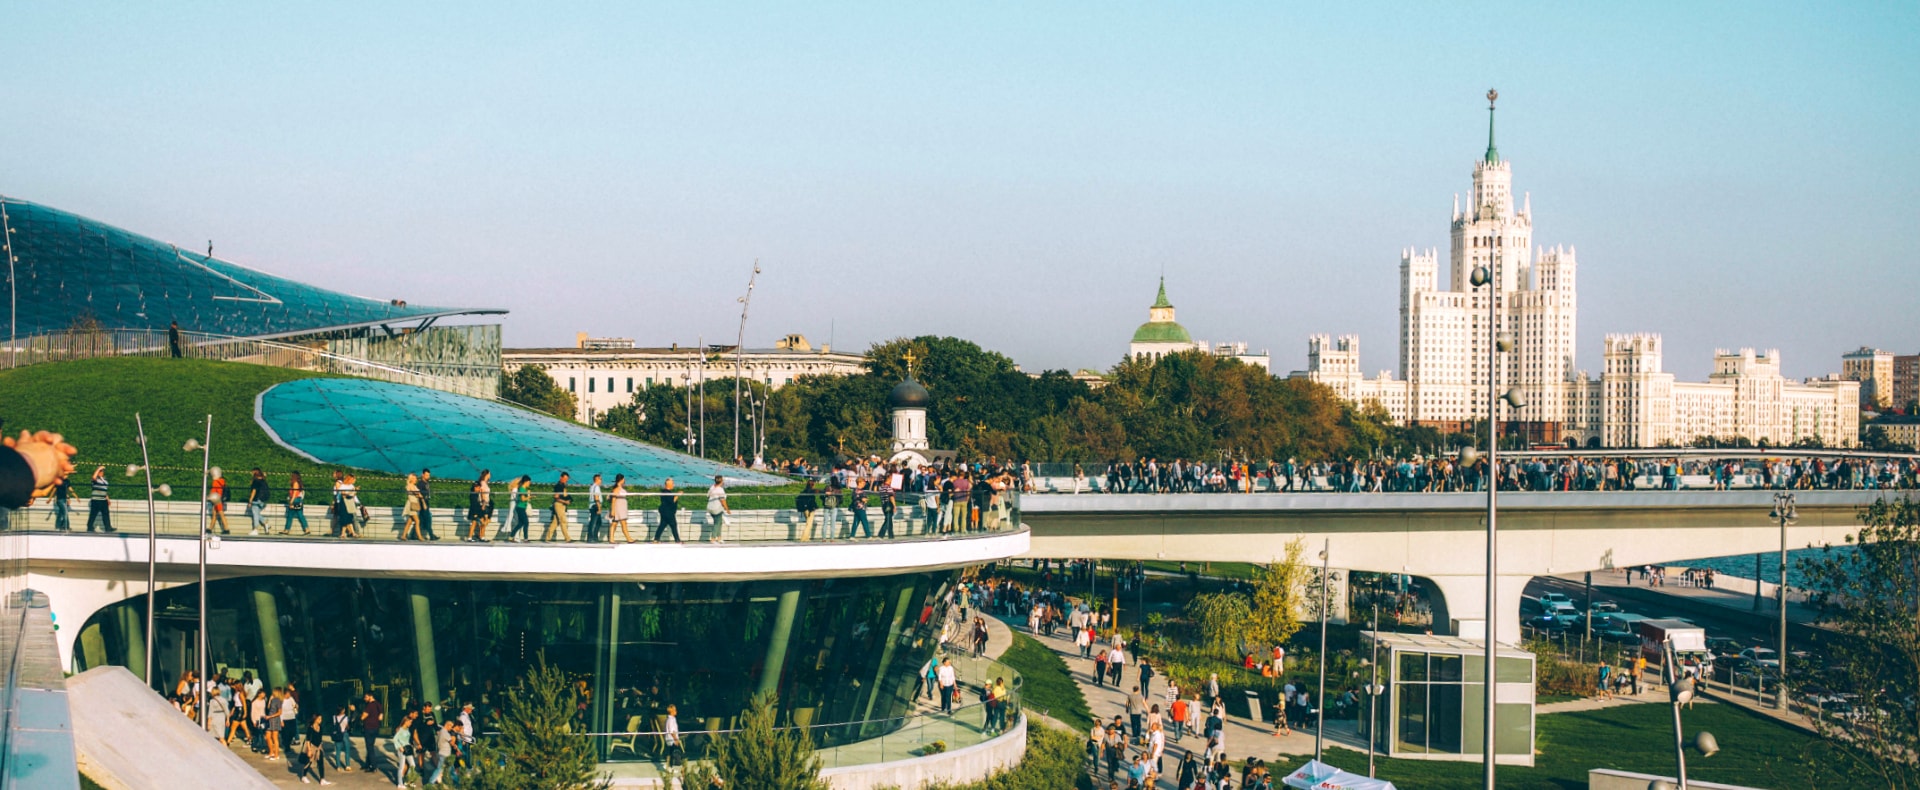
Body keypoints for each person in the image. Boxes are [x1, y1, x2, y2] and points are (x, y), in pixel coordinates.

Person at [88, 465, 119, 532]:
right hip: (96, 500)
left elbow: (105, 490)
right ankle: (89, 527)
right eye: (100, 471)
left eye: (102, 471)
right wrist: (98, 469)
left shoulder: (104, 480)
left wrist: (108, 499)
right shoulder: (95, 479)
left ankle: (108, 528)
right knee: (93, 514)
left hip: (103, 500)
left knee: (106, 514)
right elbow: (93, 477)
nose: (102, 472)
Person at [360, 693, 385, 773]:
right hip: (375, 727)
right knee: (370, 746)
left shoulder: (369, 706)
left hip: (369, 727)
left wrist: (361, 716)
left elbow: (363, 716)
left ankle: (373, 766)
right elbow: (381, 717)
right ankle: (367, 764)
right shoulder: (378, 704)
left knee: (370, 747)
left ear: (371, 696)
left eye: (366, 697)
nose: (365, 698)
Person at [545, 472, 573, 542]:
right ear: (561, 477)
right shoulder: (558, 486)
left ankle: (547, 538)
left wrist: (568, 499)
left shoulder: (563, 486)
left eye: (567, 479)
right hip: (559, 504)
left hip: (561, 505)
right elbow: (556, 497)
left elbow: (564, 495)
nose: (566, 480)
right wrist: (565, 501)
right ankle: (567, 538)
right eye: (565, 478)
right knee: (563, 521)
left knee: (555, 522)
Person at [466, 471, 492, 542]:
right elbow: (482, 494)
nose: (490, 475)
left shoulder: (484, 483)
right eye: (489, 473)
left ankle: (478, 536)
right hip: (482, 504)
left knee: (481, 521)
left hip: (484, 504)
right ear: (486, 474)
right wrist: (483, 504)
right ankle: (479, 536)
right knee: (482, 521)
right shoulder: (482, 483)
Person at [655, 478, 682, 542]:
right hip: (668, 512)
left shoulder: (665, 492)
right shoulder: (666, 492)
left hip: (665, 511)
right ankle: (677, 540)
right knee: (673, 525)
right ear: (668, 485)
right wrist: (677, 495)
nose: (673, 485)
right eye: (672, 483)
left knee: (662, 525)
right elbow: (672, 501)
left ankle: (656, 539)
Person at [608, 474, 633, 542]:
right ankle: (628, 538)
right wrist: (613, 510)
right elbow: (613, 499)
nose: (624, 480)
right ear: (621, 480)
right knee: (622, 523)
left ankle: (612, 539)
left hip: (622, 508)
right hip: (618, 508)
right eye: (624, 479)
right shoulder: (616, 489)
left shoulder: (621, 488)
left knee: (615, 523)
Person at [400, 473, 425, 541]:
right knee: (417, 521)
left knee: (409, 521)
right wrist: (419, 495)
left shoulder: (414, 486)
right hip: (411, 505)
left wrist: (418, 495)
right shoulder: (410, 486)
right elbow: (417, 494)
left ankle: (403, 535)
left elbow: (417, 494)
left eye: (416, 478)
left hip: (414, 504)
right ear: (411, 479)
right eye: (414, 478)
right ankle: (419, 536)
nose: (416, 480)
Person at [246, 468, 270, 535]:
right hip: (263, 500)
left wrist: (250, 500)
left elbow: (254, 491)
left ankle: (256, 529)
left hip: (256, 499)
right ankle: (266, 524)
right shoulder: (263, 481)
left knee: (255, 515)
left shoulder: (255, 481)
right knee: (257, 514)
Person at [706, 476, 729, 542]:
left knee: (719, 522)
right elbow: (723, 500)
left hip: (710, 507)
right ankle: (713, 538)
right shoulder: (720, 489)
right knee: (717, 523)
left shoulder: (712, 487)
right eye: (723, 480)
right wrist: (727, 509)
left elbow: (708, 496)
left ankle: (719, 537)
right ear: (721, 481)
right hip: (717, 508)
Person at [584, 473, 606, 543]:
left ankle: (594, 537)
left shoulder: (591, 487)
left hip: (592, 506)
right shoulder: (596, 487)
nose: (601, 480)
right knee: (593, 522)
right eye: (600, 479)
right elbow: (596, 497)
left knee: (598, 522)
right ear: (597, 479)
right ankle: (591, 538)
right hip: (595, 505)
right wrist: (599, 507)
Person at [416, 470, 437, 541]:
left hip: (427, 503)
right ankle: (431, 535)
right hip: (423, 504)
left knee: (422, 520)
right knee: (427, 519)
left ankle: (413, 535)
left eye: (429, 475)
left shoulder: (427, 483)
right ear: (423, 475)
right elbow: (418, 494)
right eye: (427, 475)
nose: (428, 476)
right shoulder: (420, 484)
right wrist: (423, 502)